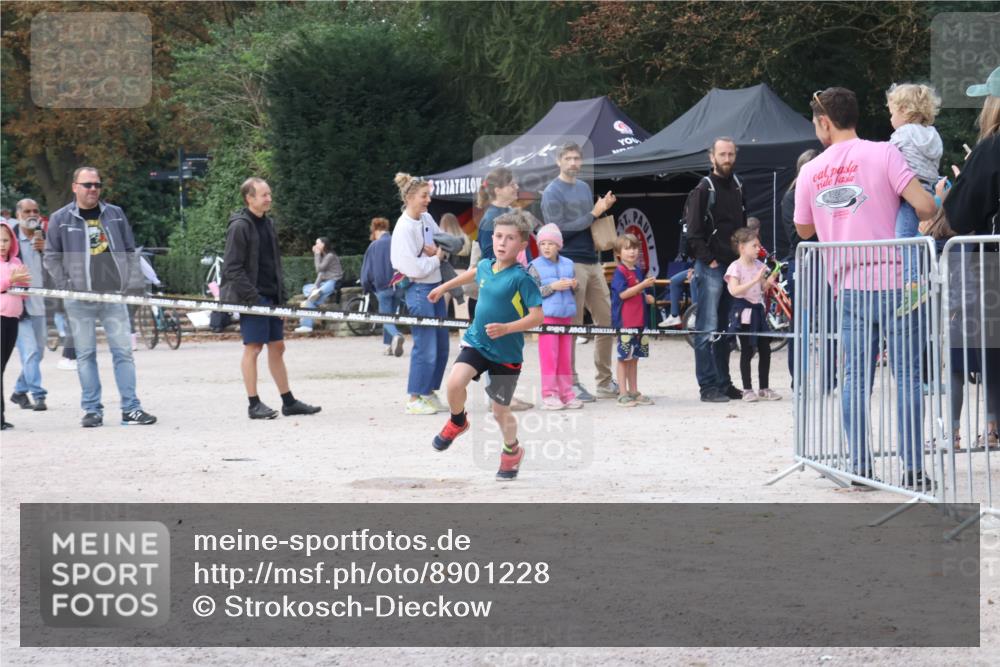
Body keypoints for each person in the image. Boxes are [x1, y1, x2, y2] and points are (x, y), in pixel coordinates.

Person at [794, 87, 937, 490]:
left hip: (849, 285)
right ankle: (913, 469)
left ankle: (861, 467)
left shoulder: (810, 170)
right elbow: (925, 207)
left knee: (856, 379)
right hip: (896, 281)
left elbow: (804, 228)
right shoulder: (884, 153)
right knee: (907, 377)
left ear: (824, 122)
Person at [426, 209, 544, 481]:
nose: (502, 243)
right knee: (455, 383)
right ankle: (458, 422)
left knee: (499, 411)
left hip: (506, 353)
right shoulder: (485, 266)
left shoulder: (522, 278)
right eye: (498, 236)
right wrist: (444, 287)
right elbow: (471, 274)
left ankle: (512, 451)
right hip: (477, 342)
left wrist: (507, 329)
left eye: (510, 238)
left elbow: (538, 316)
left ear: (522, 245)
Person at [43, 166, 157, 428]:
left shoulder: (115, 214)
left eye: (97, 185)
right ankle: (92, 409)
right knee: (85, 355)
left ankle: (131, 408)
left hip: (113, 297)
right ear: (75, 187)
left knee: (123, 353)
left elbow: (129, 250)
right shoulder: (60, 218)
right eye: (87, 185)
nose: (93, 189)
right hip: (79, 299)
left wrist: (128, 282)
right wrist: (66, 284)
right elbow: (50, 256)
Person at [928, 70, 1000, 449]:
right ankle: (991, 427)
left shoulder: (991, 146)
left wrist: (946, 196)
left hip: (991, 266)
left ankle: (984, 429)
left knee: (976, 345)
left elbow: (960, 214)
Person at [221, 177, 321, 420]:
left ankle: (288, 401)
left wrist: (281, 297)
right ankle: (253, 404)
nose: (269, 198)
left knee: (278, 346)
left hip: (271, 296)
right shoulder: (240, 226)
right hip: (252, 297)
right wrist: (252, 298)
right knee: (253, 348)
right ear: (250, 198)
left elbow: (273, 263)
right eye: (264, 195)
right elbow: (232, 269)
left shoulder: (268, 224)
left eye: (269, 194)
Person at [540, 142, 618, 402]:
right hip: (568, 263)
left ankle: (604, 382)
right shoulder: (551, 191)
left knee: (606, 321)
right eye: (568, 158)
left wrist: (600, 211)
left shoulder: (584, 187)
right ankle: (570, 383)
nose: (573, 163)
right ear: (558, 161)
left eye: (577, 159)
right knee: (571, 325)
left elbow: (589, 223)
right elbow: (556, 233)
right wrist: (593, 214)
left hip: (594, 260)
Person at [687, 137, 748, 403]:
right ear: (711, 157)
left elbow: (743, 226)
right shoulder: (703, 188)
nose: (727, 159)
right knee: (706, 327)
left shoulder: (737, 185)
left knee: (724, 328)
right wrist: (709, 260)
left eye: (731, 154)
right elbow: (693, 232)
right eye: (722, 154)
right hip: (711, 267)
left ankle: (724, 383)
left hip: (731, 267)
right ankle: (707, 386)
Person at [390, 172, 449, 415]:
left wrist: (436, 253)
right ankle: (414, 397)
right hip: (418, 290)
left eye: (428, 195)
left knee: (442, 344)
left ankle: (428, 391)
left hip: (434, 286)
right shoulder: (403, 227)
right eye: (424, 196)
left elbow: (442, 242)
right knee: (426, 345)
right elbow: (410, 268)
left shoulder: (426, 219)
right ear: (410, 197)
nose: (428, 200)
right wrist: (435, 258)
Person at [886, 82, 943, 310]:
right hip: (927, 188)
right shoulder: (932, 134)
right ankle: (919, 279)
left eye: (891, 113)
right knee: (913, 235)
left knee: (904, 236)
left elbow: (887, 158)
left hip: (910, 189)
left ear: (904, 111)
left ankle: (913, 286)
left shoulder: (902, 133)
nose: (890, 119)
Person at [527, 223, 581, 410]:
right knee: (550, 358)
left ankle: (567, 394)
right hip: (547, 318)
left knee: (566, 358)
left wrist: (575, 285)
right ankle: (549, 394)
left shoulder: (569, 263)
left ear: (559, 245)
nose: (546, 247)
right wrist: (553, 287)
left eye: (551, 243)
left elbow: (575, 290)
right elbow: (531, 293)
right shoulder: (534, 265)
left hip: (566, 317)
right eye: (543, 243)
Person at [725, 227, 781, 402]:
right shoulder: (735, 267)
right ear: (742, 247)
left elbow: (762, 288)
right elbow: (734, 290)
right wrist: (755, 280)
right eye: (754, 245)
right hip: (743, 313)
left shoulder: (759, 265)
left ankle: (764, 387)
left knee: (765, 349)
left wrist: (769, 280)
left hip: (758, 311)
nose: (758, 249)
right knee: (747, 351)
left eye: (759, 245)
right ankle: (747, 388)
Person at [10, 199, 48, 411]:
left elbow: (57, 266)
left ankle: (18, 391)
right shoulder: (10, 239)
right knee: (31, 352)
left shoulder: (46, 237)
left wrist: (46, 249)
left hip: (40, 305)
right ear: (18, 214)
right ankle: (38, 394)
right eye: (27, 211)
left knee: (39, 353)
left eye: (35, 210)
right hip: (18, 308)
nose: (32, 214)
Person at [610, 233, 656, 407]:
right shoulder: (620, 271)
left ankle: (634, 391)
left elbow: (636, 293)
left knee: (635, 358)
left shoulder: (637, 270)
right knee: (624, 359)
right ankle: (622, 393)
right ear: (618, 253)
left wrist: (646, 297)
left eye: (635, 248)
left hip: (639, 321)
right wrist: (642, 286)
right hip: (625, 322)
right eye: (627, 248)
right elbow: (623, 294)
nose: (632, 252)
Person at [1, 221, 31, 430]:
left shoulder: (16, 262)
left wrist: (20, 284)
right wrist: (10, 281)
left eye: (5, 240)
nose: (2, 244)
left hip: (12, 320)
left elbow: (23, 290)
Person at [361, 217, 405, 357]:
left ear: (374, 231)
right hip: (399, 285)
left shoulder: (374, 246)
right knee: (390, 316)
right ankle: (388, 347)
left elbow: (366, 272)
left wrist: (367, 287)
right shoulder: (397, 241)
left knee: (385, 317)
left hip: (382, 287)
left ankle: (397, 335)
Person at [294, 237, 343, 333]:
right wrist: (315, 286)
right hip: (324, 283)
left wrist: (316, 254)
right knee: (307, 289)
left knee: (311, 299)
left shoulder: (330, 256)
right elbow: (320, 274)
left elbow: (319, 269)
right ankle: (307, 324)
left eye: (317, 243)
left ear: (323, 244)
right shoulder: (323, 256)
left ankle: (306, 325)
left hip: (333, 282)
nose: (315, 245)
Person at [476, 167, 517, 262]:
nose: (517, 187)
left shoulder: (511, 212)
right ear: (498, 190)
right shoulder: (490, 219)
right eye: (512, 185)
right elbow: (489, 258)